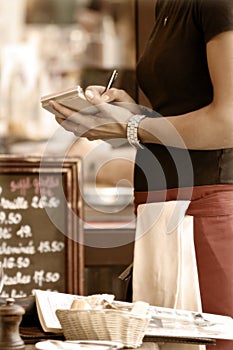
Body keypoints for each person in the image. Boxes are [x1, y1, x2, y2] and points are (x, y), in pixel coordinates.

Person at [49, 0, 233, 349]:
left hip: (207, 210)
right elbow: (182, 110)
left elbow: (228, 122)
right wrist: (128, 113)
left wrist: (132, 125)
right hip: (161, 209)